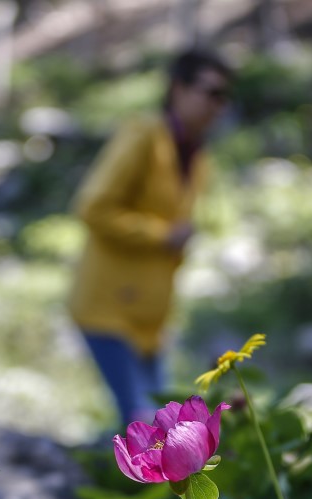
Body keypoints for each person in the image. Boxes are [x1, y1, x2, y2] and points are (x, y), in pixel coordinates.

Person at [70, 49, 233, 425]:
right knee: (146, 428)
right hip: (108, 310)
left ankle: (102, 476)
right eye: (211, 92)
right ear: (179, 88)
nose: (217, 106)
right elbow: (93, 207)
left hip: (150, 322)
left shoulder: (196, 155)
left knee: (161, 423)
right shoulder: (144, 136)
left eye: (224, 97)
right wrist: (163, 235)